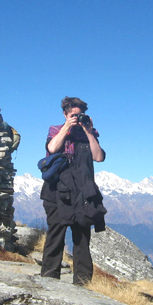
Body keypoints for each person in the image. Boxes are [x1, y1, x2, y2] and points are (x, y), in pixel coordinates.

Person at [39, 97, 107, 286]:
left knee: (82, 238)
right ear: (65, 114)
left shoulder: (89, 133)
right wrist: (66, 127)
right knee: (55, 234)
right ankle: (49, 279)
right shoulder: (56, 130)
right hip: (57, 192)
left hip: (83, 193)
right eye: (72, 115)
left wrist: (88, 131)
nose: (76, 118)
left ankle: (83, 284)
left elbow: (98, 157)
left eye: (79, 115)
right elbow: (52, 148)